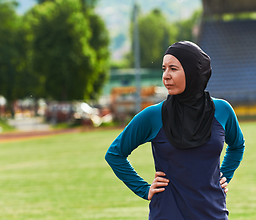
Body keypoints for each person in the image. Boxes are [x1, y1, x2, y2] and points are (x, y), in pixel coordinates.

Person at [105, 41, 245, 219]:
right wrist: (143, 189)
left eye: (173, 68)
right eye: (164, 69)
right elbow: (115, 154)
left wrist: (224, 176)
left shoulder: (223, 111)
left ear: (193, 71)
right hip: (167, 213)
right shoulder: (153, 115)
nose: (166, 76)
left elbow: (237, 145)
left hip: (213, 213)